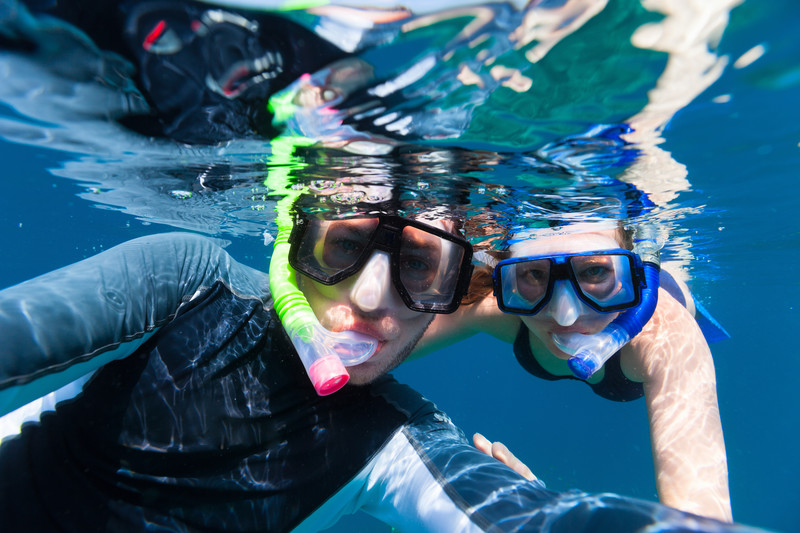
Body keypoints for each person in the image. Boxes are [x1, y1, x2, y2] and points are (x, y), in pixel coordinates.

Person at [0, 177, 761, 532]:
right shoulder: (190, 283)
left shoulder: (400, 438)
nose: (370, 299)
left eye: (422, 270)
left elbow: (693, 520)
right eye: (344, 245)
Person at [416, 220, 733, 522]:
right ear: (507, 279)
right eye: (534, 274)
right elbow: (372, 355)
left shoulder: (668, 336)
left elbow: (702, 520)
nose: (566, 317)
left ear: (635, 272)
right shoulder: (499, 308)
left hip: (668, 294)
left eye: (595, 270)